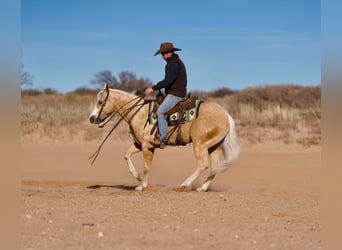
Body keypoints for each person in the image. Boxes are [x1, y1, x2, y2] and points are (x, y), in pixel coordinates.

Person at [145, 42, 187, 149]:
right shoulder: (173, 63)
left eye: (163, 54)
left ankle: (163, 139)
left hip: (176, 94)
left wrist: (153, 88)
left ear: (169, 53)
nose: (162, 57)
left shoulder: (174, 64)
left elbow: (168, 81)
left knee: (160, 112)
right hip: (174, 93)